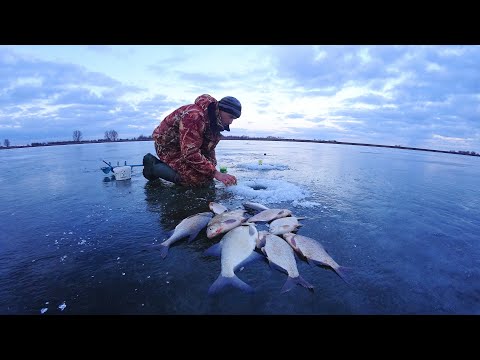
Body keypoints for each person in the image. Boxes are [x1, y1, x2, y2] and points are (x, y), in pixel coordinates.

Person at [142, 94, 240, 187]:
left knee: (206, 176)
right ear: (220, 110)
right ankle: (153, 167)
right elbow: (190, 153)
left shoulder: (214, 121)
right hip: (168, 146)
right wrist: (216, 173)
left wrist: (212, 169)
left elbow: (209, 149)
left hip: (184, 146)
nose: (231, 122)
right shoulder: (194, 116)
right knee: (195, 179)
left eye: (234, 119)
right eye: (230, 117)